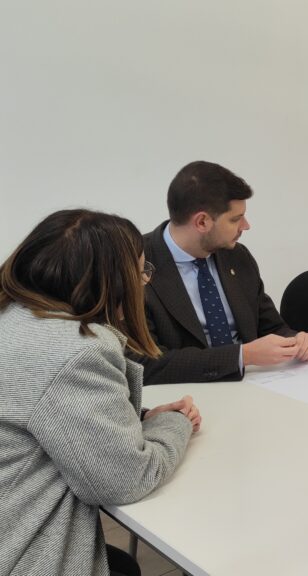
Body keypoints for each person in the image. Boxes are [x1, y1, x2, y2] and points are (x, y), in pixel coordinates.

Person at [0, 209, 201, 576]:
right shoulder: (75, 350)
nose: (144, 281)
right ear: (111, 281)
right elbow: (126, 480)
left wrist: (138, 419)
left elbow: (35, 412)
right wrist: (175, 423)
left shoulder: (12, 317)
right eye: (140, 271)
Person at [141, 160, 308, 384]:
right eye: (236, 219)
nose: (246, 226)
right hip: (185, 394)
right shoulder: (135, 264)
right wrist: (242, 356)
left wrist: (298, 340)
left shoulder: (236, 255)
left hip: (255, 386)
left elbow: (271, 327)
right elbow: (146, 364)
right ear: (202, 222)